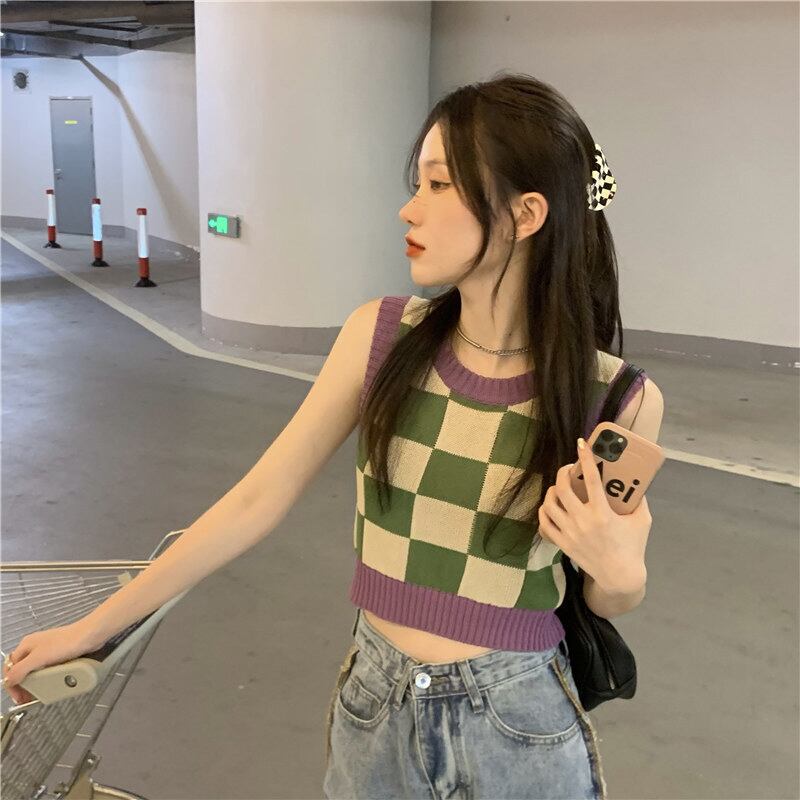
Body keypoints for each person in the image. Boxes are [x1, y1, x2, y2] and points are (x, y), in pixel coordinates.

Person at [4, 71, 663, 799]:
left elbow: (606, 598)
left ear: (524, 213)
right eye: (417, 183)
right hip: (374, 705)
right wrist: (90, 629)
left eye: (439, 184)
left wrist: (621, 572)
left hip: (519, 721)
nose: (409, 207)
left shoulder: (617, 399)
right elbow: (255, 499)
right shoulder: (381, 337)